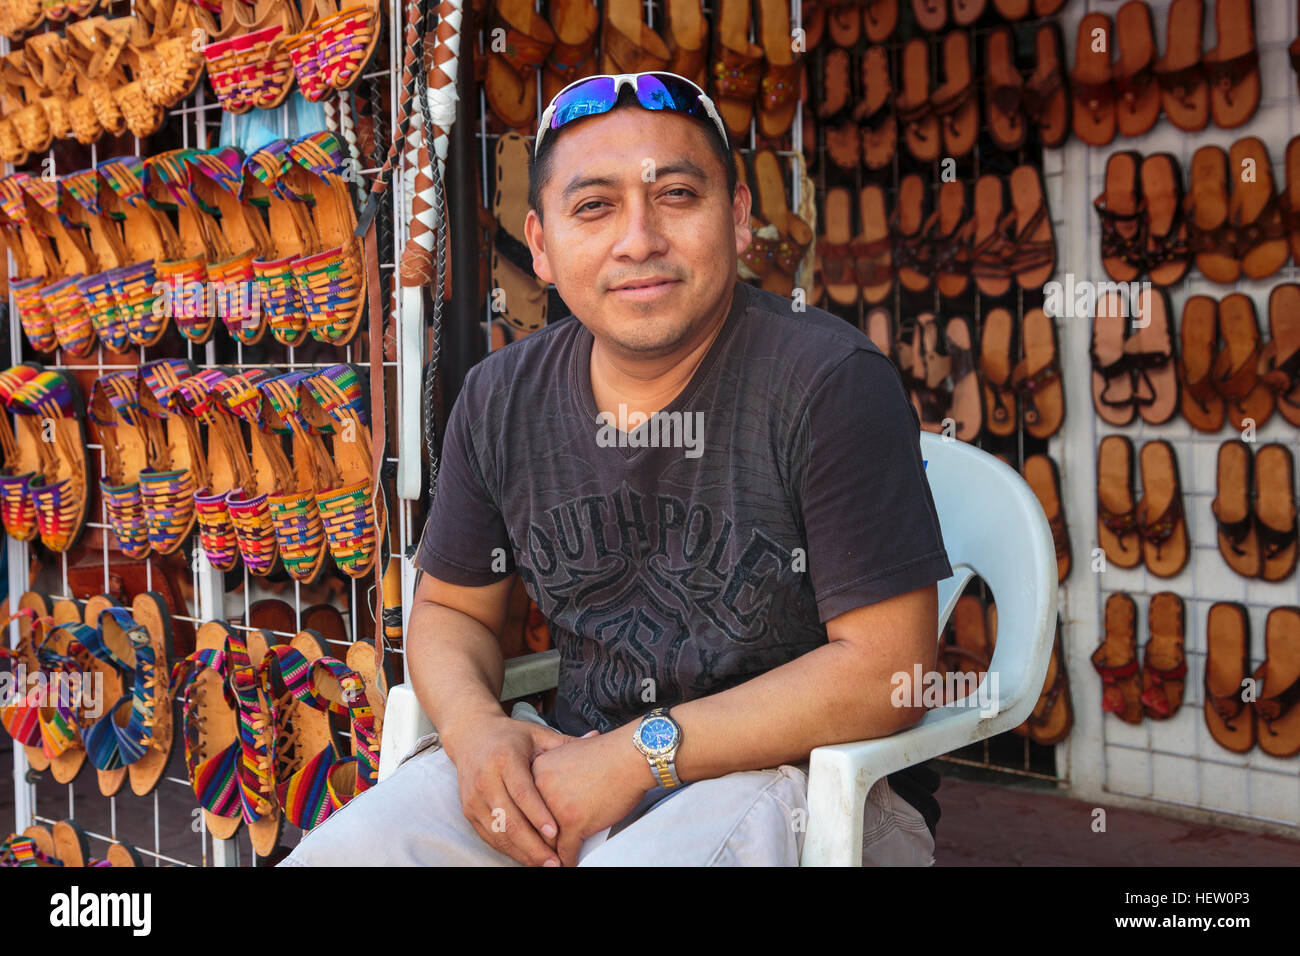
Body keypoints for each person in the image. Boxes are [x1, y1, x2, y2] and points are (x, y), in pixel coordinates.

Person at [282, 72, 951, 868]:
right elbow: (451, 612)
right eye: (594, 206)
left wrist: (640, 756)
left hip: (810, 783)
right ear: (541, 245)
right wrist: (476, 732)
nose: (639, 240)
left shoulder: (829, 381)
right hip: (574, 765)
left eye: (675, 195)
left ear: (737, 219)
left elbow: (891, 671)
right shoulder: (502, 396)